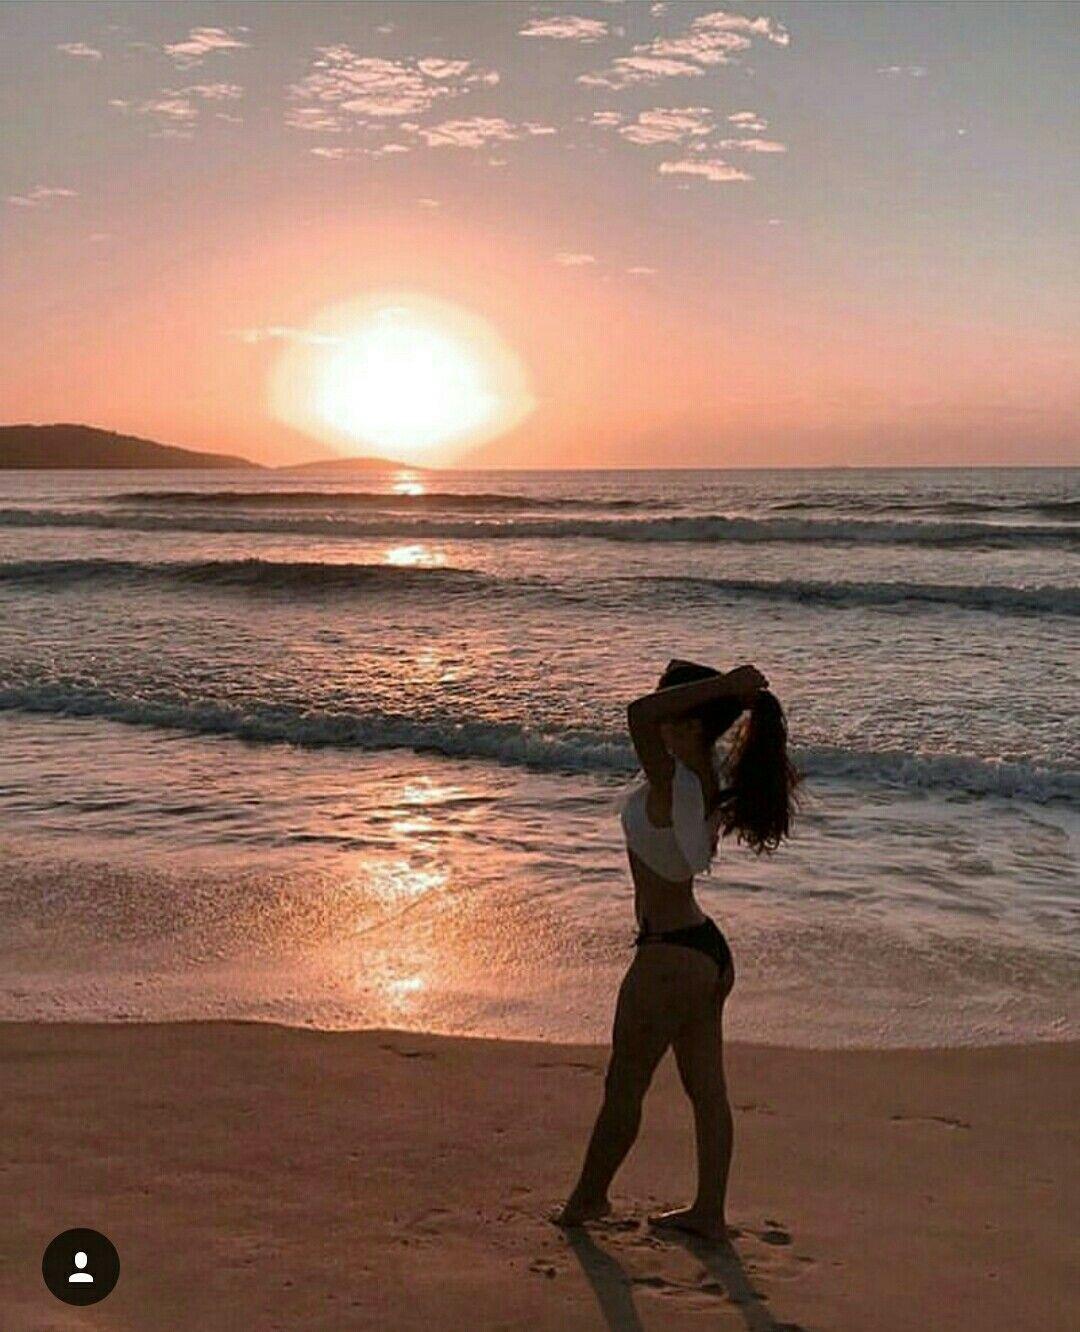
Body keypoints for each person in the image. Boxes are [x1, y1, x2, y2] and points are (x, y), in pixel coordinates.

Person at [554, 658, 802, 1240]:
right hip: (703, 952)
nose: (661, 719)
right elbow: (650, 713)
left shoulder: (672, 781)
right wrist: (723, 695)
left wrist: (725, 689)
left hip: (668, 957)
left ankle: (588, 1200)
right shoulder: (706, 777)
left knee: (625, 1086)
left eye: (674, 710)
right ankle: (708, 1213)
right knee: (706, 1092)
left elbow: (639, 714)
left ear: (687, 722)